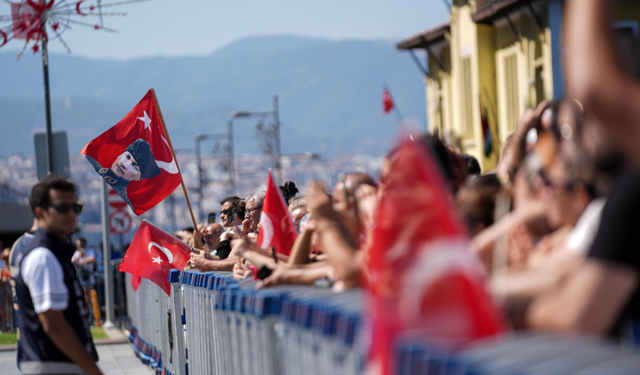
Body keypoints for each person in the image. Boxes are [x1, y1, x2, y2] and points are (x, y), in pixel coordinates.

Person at [14, 176, 101, 374]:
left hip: (61, 363)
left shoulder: (56, 251)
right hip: (53, 365)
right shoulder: (43, 256)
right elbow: (54, 325)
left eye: (76, 207)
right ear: (40, 212)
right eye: (62, 208)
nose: (71, 213)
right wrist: (93, 370)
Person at [85, 138, 161, 210]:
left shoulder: (128, 200)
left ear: (138, 178)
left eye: (134, 166)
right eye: (127, 156)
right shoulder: (92, 161)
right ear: (121, 154)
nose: (125, 165)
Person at [71, 237, 96, 320]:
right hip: (80, 280)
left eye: (81, 244)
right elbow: (73, 262)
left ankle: (88, 311)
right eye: (78, 245)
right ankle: (85, 311)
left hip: (89, 280)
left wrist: (82, 261)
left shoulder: (90, 251)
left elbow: (92, 258)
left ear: (85, 244)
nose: (80, 246)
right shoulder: (76, 254)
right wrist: (79, 257)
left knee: (87, 292)